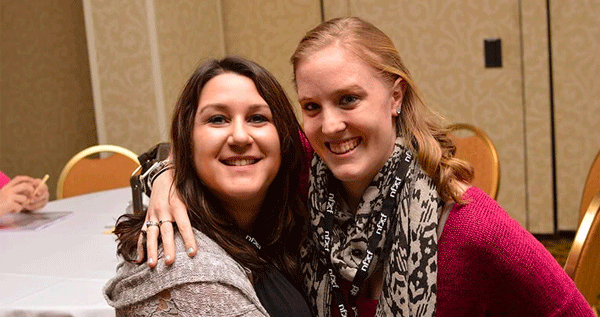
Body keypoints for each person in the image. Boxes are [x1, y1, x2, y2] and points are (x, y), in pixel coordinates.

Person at [141, 17, 594, 316]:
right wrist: (169, 178)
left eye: (349, 99)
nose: (331, 126)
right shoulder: (305, 176)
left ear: (395, 96)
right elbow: (226, 146)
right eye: (312, 106)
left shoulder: (472, 228)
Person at [103, 56, 312, 316]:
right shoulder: (188, 272)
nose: (239, 136)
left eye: (258, 118)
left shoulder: (294, 217)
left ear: (285, 138)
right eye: (217, 119)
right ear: (187, 142)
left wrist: (164, 173)